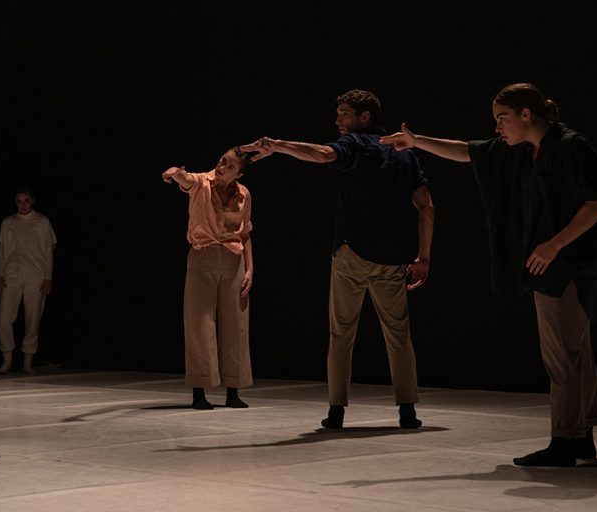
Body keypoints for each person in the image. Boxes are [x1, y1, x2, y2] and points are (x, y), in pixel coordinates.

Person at [380, 82, 597, 467]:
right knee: (575, 352)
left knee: (563, 355)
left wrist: (554, 244)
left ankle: (565, 441)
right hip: (551, 264)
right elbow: (469, 152)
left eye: (502, 118)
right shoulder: (521, 151)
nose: (498, 127)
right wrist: (416, 141)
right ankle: (582, 433)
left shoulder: (570, 146)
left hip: (566, 265)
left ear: (526, 113)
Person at [241, 89, 433, 430]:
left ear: (364, 117)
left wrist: (278, 145)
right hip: (393, 258)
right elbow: (426, 207)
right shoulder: (404, 153)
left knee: (341, 334)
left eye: (344, 113)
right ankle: (407, 411)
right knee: (399, 335)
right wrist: (424, 257)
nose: (337, 119)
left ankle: (336, 411)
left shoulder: (356, 144)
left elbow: (323, 154)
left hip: (352, 255)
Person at [162, 147, 255, 410]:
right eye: (223, 160)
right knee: (200, 323)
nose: (223, 165)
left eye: (231, 165)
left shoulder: (243, 194)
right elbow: (186, 179)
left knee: (235, 324)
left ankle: (233, 391)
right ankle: (199, 392)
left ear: (239, 173)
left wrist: (250, 269)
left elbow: (245, 232)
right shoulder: (202, 182)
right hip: (203, 257)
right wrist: (175, 173)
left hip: (233, 260)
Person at [0, 185, 57, 374]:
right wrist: (1, 275)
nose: (23, 205)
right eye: (19, 201)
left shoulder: (42, 222)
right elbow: (3, 251)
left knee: (32, 319)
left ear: (33, 201)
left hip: (35, 275)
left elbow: (48, 251)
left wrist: (48, 277)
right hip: (13, 273)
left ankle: (28, 360)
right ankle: (7, 358)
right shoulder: (8, 222)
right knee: (4, 318)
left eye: (26, 201)